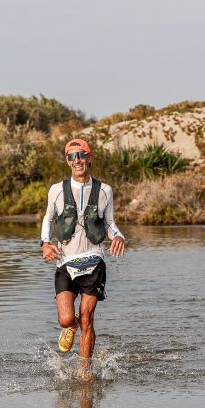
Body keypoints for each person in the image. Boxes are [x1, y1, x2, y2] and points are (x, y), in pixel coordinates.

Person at [41, 139, 128, 371]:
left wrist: (119, 236)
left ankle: (84, 370)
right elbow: (48, 219)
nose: (77, 160)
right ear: (67, 161)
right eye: (71, 156)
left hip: (94, 262)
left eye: (81, 155)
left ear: (89, 158)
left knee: (87, 318)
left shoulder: (105, 190)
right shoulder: (56, 190)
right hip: (65, 263)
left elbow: (110, 224)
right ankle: (70, 328)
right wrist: (45, 243)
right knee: (66, 319)